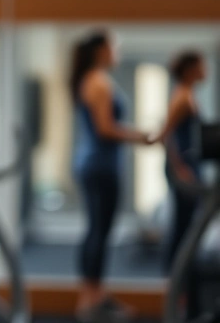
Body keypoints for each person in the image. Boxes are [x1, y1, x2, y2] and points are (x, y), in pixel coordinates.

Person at [69, 30, 152, 323]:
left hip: (95, 164)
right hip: (100, 165)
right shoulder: (98, 82)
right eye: (113, 46)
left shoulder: (92, 80)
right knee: (99, 231)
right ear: (101, 51)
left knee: (96, 230)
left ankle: (93, 296)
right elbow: (106, 128)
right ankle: (91, 300)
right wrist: (139, 136)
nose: (117, 50)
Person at [152, 50, 208, 319]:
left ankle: (184, 289)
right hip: (183, 168)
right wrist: (180, 168)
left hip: (189, 165)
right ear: (189, 69)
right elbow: (167, 134)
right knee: (183, 228)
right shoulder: (182, 96)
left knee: (189, 226)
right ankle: (176, 288)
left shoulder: (187, 93)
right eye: (201, 65)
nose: (205, 69)